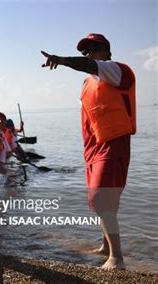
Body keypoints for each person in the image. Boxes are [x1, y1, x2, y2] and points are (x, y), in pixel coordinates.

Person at [41, 33, 136, 270]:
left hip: (113, 142)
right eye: (85, 51)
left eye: (93, 49)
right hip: (93, 148)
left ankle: (117, 258)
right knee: (100, 199)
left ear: (105, 51)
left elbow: (89, 65)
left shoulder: (117, 70)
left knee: (102, 197)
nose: (88, 54)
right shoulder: (88, 83)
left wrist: (62, 60)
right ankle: (105, 246)